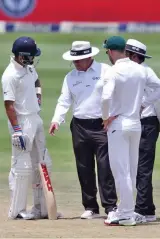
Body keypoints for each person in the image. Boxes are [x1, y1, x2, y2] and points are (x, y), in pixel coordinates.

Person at [101, 36, 160, 226]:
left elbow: (106, 97)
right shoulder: (141, 70)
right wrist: (143, 104)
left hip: (118, 125)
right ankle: (126, 211)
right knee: (130, 170)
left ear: (112, 52)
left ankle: (126, 213)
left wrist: (105, 117)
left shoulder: (113, 71)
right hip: (136, 124)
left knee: (120, 171)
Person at [49, 41, 118, 219]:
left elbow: (117, 94)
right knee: (84, 167)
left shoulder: (106, 71)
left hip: (102, 125)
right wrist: (57, 119)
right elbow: (64, 101)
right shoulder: (70, 77)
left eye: (79, 59)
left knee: (105, 167)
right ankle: (91, 207)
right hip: (79, 125)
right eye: (74, 59)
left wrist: (114, 115)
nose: (76, 63)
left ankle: (110, 206)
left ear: (90, 57)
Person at [1, 36, 54, 219]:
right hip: (22, 122)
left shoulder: (29, 68)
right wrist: (17, 130)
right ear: (22, 56)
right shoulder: (10, 75)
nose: (33, 58)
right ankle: (17, 211)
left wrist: (38, 96)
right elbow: (9, 105)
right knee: (22, 167)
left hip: (35, 118)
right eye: (31, 55)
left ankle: (42, 208)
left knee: (42, 161)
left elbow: (37, 82)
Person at [125, 39, 160, 223]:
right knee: (134, 167)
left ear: (135, 57)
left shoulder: (145, 72)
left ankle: (142, 210)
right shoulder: (132, 71)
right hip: (138, 123)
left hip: (146, 124)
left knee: (142, 168)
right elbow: (158, 99)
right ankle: (149, 209)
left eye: (127, 54)